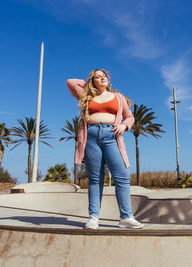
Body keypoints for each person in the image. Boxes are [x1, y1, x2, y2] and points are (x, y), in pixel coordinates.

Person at [67, 69, 144, 229]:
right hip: (91, 138)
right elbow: (71, 82)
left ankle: (126, 217)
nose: (102, 78)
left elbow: (129, 116)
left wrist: (124, 125)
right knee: (95, 179)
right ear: (93, 81)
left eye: (104, 76)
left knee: (122, 176)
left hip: (112, 136)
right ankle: (93, 218)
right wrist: (89, 85)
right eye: (98, 77)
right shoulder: (87, 96)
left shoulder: (118, 97)